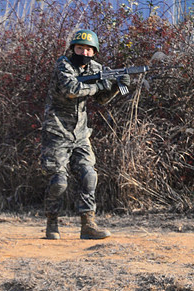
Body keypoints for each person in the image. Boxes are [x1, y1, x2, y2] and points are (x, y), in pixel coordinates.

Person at [40, 29, 132, 240]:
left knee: (89, 175)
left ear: (94, 52)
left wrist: (117, 85)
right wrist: (98, 84)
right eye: (80, 48)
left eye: (89, 49)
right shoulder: (63, 65)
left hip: (80, 133)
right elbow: (71, 89)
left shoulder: (96, 68)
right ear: (72, 48)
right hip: (57, 130)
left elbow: (101, 99)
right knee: (59, 182)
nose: (84, 52)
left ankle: (88, 225)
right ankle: (52, 222)